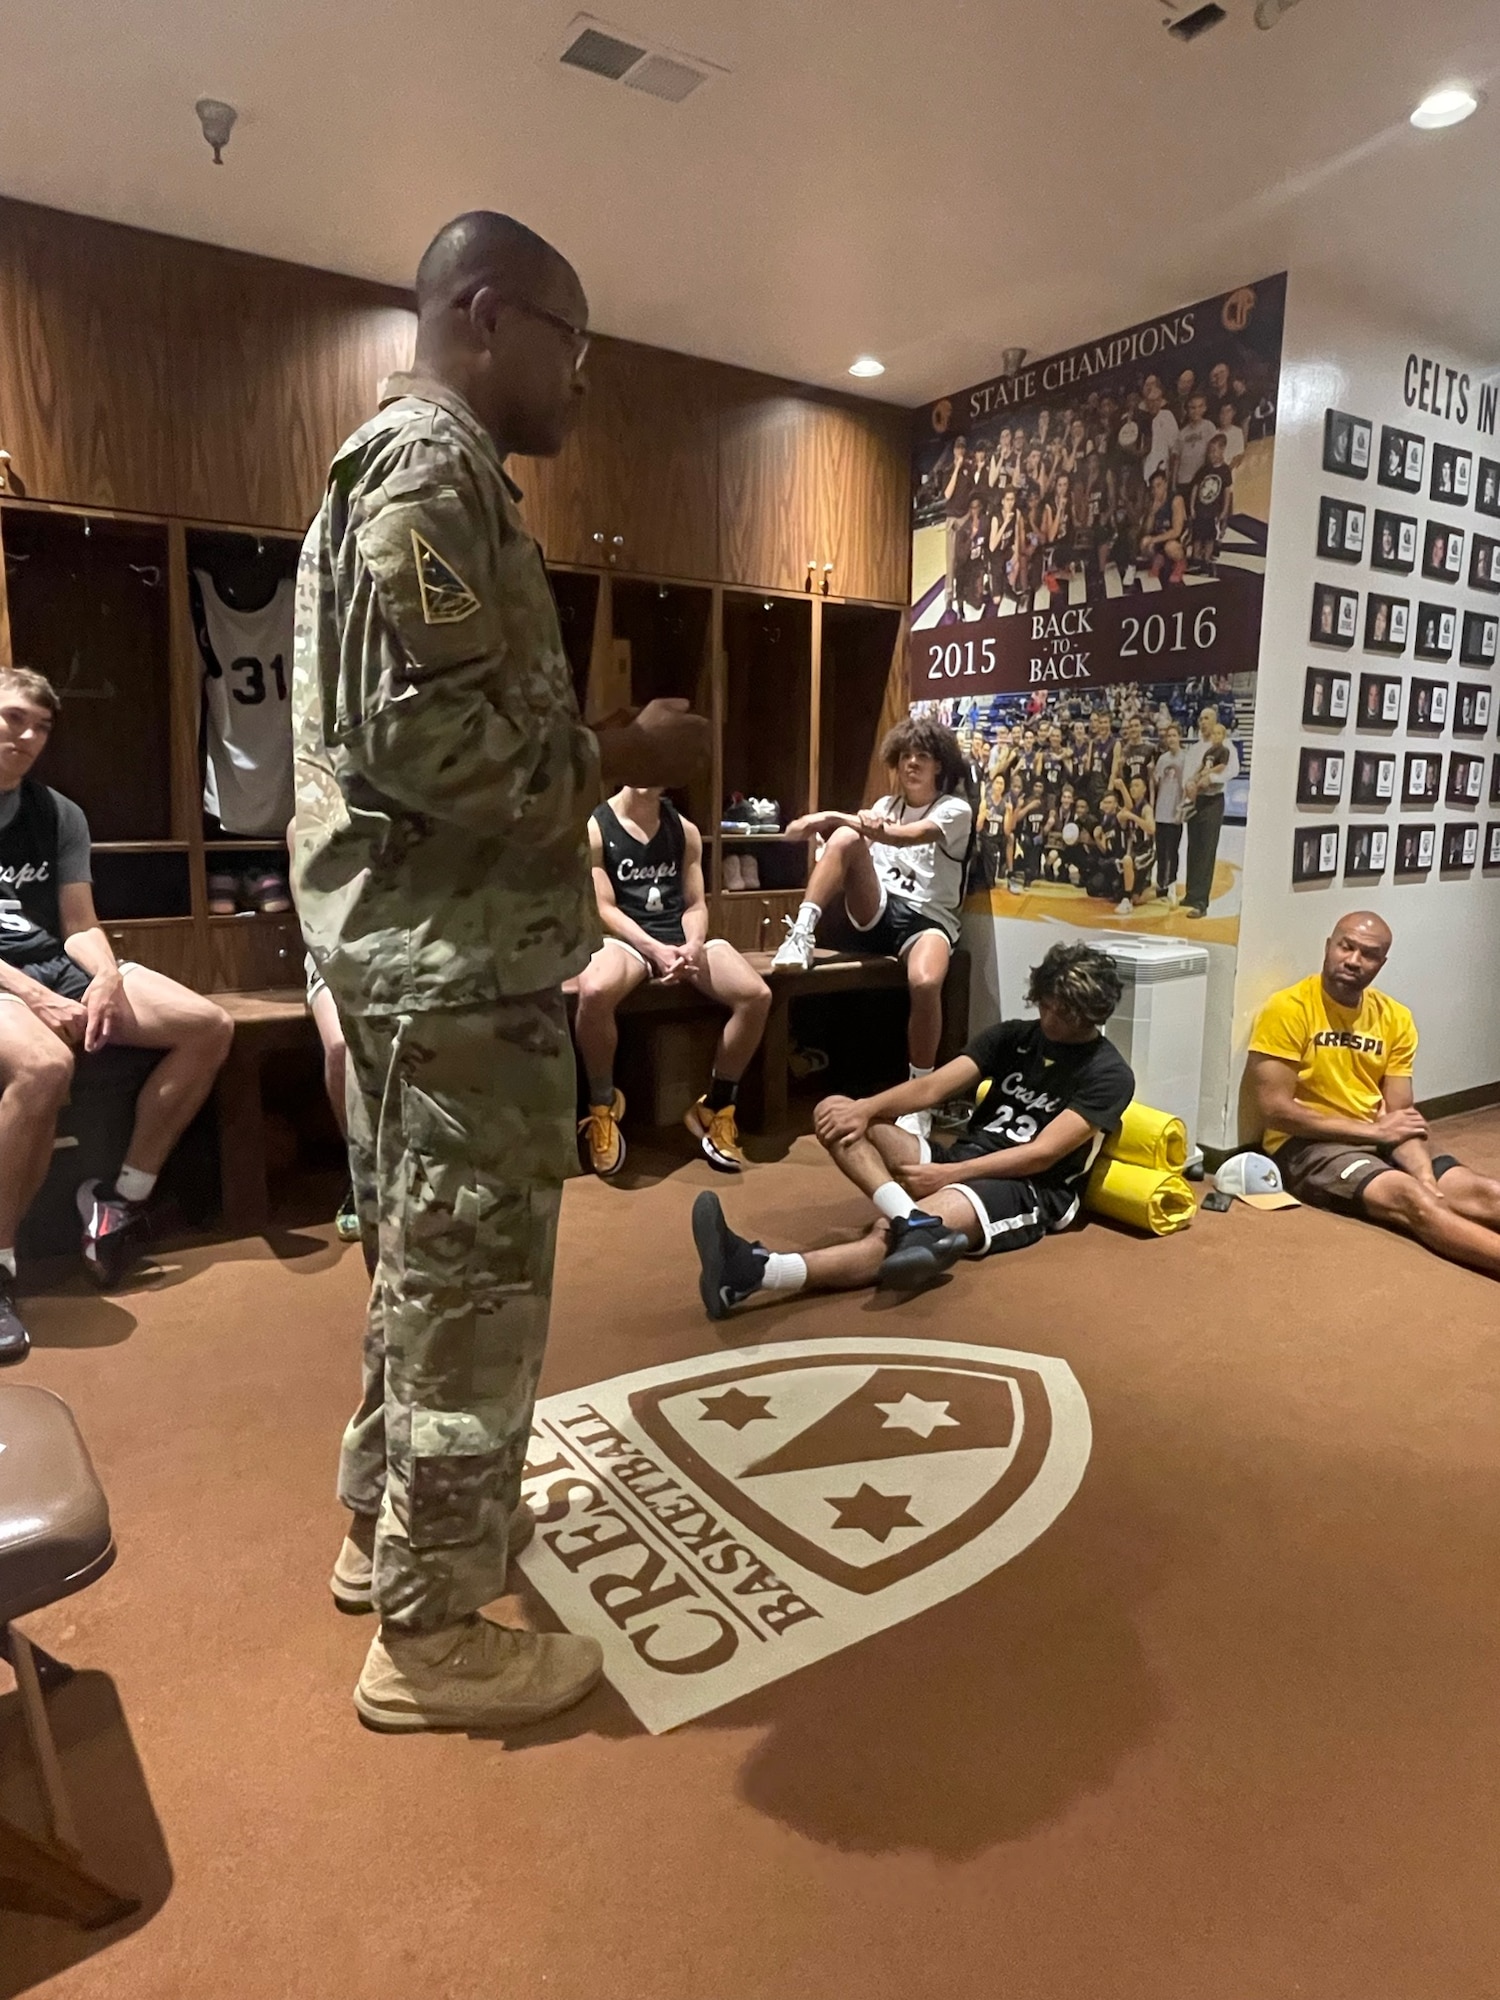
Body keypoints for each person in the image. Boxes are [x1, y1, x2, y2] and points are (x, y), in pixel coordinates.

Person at [291, 210, 709, 1734]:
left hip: (427, 967)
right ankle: (436, 1632)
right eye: (573, 346)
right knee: (471, 1297)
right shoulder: (432, 471)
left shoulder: (413, 474)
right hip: (452, 976)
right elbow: (424, 742)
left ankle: (386, 1530)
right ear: (488, 314)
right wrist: (631, 753)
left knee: (421, 1270)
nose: (582, 384)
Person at [691, 941, 1133, 1314]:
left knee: (889, 1237)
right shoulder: (1014, 1036)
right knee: (836, 1111)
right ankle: (913, 1217)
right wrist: (864, 1109)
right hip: (965, 1156)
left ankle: (755, 1272)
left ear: (1092, 1014)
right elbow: (934, 1088)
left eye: (1064, 1014)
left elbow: (1043, 1154)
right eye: (1046, 1005)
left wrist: (949, 1176)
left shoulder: (1108, 1073)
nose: (1050, 1019)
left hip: (1027, 1186)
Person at [0, 668, 233, 1357]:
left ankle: (121, 1200)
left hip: (53, 961)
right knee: (44, 1066)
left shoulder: (59, 813)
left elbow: (78, 921)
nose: (28, 736)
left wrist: (102, 978)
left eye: (41, 726)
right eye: (14, 718)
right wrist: (35, 997)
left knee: (206, 1025)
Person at [1247, 913, 1500, 1278]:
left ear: (1381, 963)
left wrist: (1426, 1177)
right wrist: (1378, 1137)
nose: (1353, 960)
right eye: (1346, 947)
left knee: (1486, 1192)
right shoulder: (1289, 1009)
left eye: (1368, 954)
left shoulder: (1395, 1018)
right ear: (1328, 947)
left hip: (1381, 1135)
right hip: (1311, 1144)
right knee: (1412, 1201)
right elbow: (1276, 1112)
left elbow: (1401, 1116)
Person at [771, 718, 972, 1133]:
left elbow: (907, 836)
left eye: (923, 757)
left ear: (939, 766)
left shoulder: (954, 809)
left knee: (925, 982)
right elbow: (863, 841)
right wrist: (846, 826)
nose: (912, 764)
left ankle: (920, 1099)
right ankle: (801, 933)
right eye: (905, 757)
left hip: (928, 916)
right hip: (877, 910)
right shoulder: (883, 807)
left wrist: (824, 815)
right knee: (845, 840)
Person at [571, 787, 769, 1176]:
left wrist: (693, 945)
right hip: (628, 941)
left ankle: (716, 1106)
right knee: (593, 991)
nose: (647, 776)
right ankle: (603, 1106)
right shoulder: (598, 826)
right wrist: (653, 949)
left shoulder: (685, 830)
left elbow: (695, 903)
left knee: (756, 995)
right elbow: (604, 907)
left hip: (680, 940)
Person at [1180, 708, 1238, 918]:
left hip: (1213, 800)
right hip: (1196, 800)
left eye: (1207, 718)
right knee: (1193, 847)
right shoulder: (1195, 748)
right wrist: (1187, 785)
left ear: (1215, 721)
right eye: (1201, 718)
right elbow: (1188, 773)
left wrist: (1211, 779)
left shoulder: (1224, 745)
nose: (1202, 722)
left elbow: (1233, 770)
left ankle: (1201, 902)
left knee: (1206, 850)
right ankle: (1191, 893)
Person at [1151, 721, 1188, 901]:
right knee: (1160, 851)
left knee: (1172, 852)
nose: (1171, 739)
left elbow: (1187, 786)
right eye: (1168, 736)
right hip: (1160, 812)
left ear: (1179, 737)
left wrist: (1182, 807)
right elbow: (1156, 782)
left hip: (1175, 814)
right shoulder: (1163, 759)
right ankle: (1160, 884)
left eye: (1174, 735)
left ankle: (1172, 883)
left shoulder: (1185, 759)